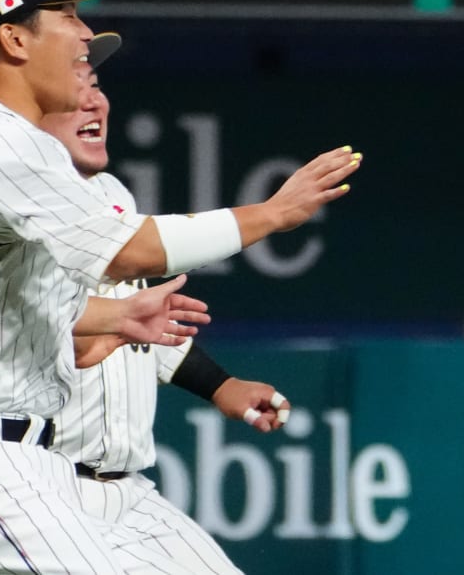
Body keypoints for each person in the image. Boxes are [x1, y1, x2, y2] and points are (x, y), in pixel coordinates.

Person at [0, 0, 356, 572]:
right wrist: (273, 214)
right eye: (68, 12)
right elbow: (133, 251)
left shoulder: (26, 151)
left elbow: (37, 299)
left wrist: (113, 321)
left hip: (40, 458)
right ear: (14, 37)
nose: (84, 31)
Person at [45, 33, 292, 575]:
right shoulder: (6, 203)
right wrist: (268, 217)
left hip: (127, 493)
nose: (93, 101)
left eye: (96, 84)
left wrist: (220, 385)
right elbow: (31, 326)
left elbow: (135, 324)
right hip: (39, 485)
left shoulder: (110, 193)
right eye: (72, 86)